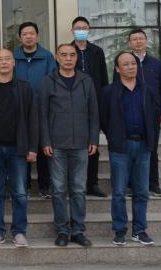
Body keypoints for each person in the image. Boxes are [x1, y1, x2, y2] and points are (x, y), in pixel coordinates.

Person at [0, 48, 39, 248]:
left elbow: (33, 119)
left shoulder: (25, 88)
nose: (3, 62)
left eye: (7, 59)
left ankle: (19, 232)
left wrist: (33, 147)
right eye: (0, 59)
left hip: (18, 149)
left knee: (19, 192)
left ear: (14, 63)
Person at [39, 43, 99, 248]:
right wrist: (45, 141)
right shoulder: (48, 81)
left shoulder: (86, 80)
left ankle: (78, 230)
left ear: (76, 58)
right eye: (64, 55)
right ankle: (62, 230)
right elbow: (42, 114)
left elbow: (94, 112)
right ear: (57, 57)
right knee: (58, 189)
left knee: (79, 189)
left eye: (72, 55)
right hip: (56, 144)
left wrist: (93, 139)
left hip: (81, 143)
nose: (68, 58)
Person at [101, 51, 158, 247]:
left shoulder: (147, 91)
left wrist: (151, 141)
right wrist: (113, 136)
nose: (131, 67)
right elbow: (104, 119)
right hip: (120, 147)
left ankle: (140, 230)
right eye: (125, 64)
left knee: (141, 191)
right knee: (118, 192)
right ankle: (120, 230)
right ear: (117, 69)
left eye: (133, 63)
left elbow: (154, 117)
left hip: (143, 146)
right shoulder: (109, 92)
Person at [118, 28, 161, 197]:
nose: (138, 41)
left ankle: (153, 184)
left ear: (146, 41)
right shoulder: (125, 62)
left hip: (152, 114)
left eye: (141, 38)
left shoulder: (155, 64)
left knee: (151, 149)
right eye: (134, 39)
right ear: (129, 43)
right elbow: (116, 88)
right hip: (130, 113)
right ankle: (130, 186)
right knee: (131, 149)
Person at [13, 21, 56, 198]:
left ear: (37, 36)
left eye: (32, 33)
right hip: (19, 110)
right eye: (25, 34)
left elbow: (53, 81)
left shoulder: (47, 57)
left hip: (42, 109)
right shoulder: (14, 57)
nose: (28, 37)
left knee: (43, 147)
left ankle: (45, 186)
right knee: (22, 148)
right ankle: (25, 186)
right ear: (20, 37)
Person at [71, 16, 109, 198]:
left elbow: (103, 79)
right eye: (77, 28)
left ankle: (92, 183)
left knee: (93, 144)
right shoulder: (67, 51)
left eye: (84, 27)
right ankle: (74, 183)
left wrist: (103, 102)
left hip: (94, 103)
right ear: (72, 30)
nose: (81, 30)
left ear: (89, 29)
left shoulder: (97, 51)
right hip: (72, 104)